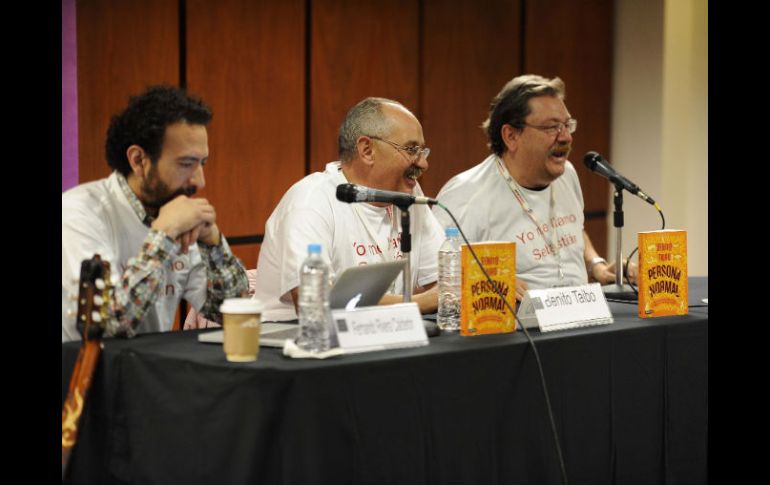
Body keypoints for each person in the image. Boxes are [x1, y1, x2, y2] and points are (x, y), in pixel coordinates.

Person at [62, 85, 249, 342]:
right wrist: (163, 234)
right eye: (186, 164)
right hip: (83, 376)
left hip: (149, 373)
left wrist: (213, 243)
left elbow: (231, 314)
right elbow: (107, 327)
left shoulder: (175, 211)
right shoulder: (78, 213)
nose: (200, 181)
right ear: (139, 160)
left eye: (202, 163)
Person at [434, 74, 636, 301]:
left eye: (567, 125)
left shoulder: (566, 174)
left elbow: (571, 227)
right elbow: (437, 279)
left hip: (580, 313)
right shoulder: (465, 194)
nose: (566, 137)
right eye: (552, 127)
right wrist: (488, 282)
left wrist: (596, 265)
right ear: (511, 136)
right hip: (517, 326)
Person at [254, 97, 445, 321]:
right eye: (412, 149)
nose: (423, 163)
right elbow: (314, 301)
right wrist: (419, 303)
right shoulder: (310, 202)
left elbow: (446, 283)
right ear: (367, 150)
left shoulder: (409, 196)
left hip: (380, 334)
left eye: (423, 151)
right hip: (295, 340)